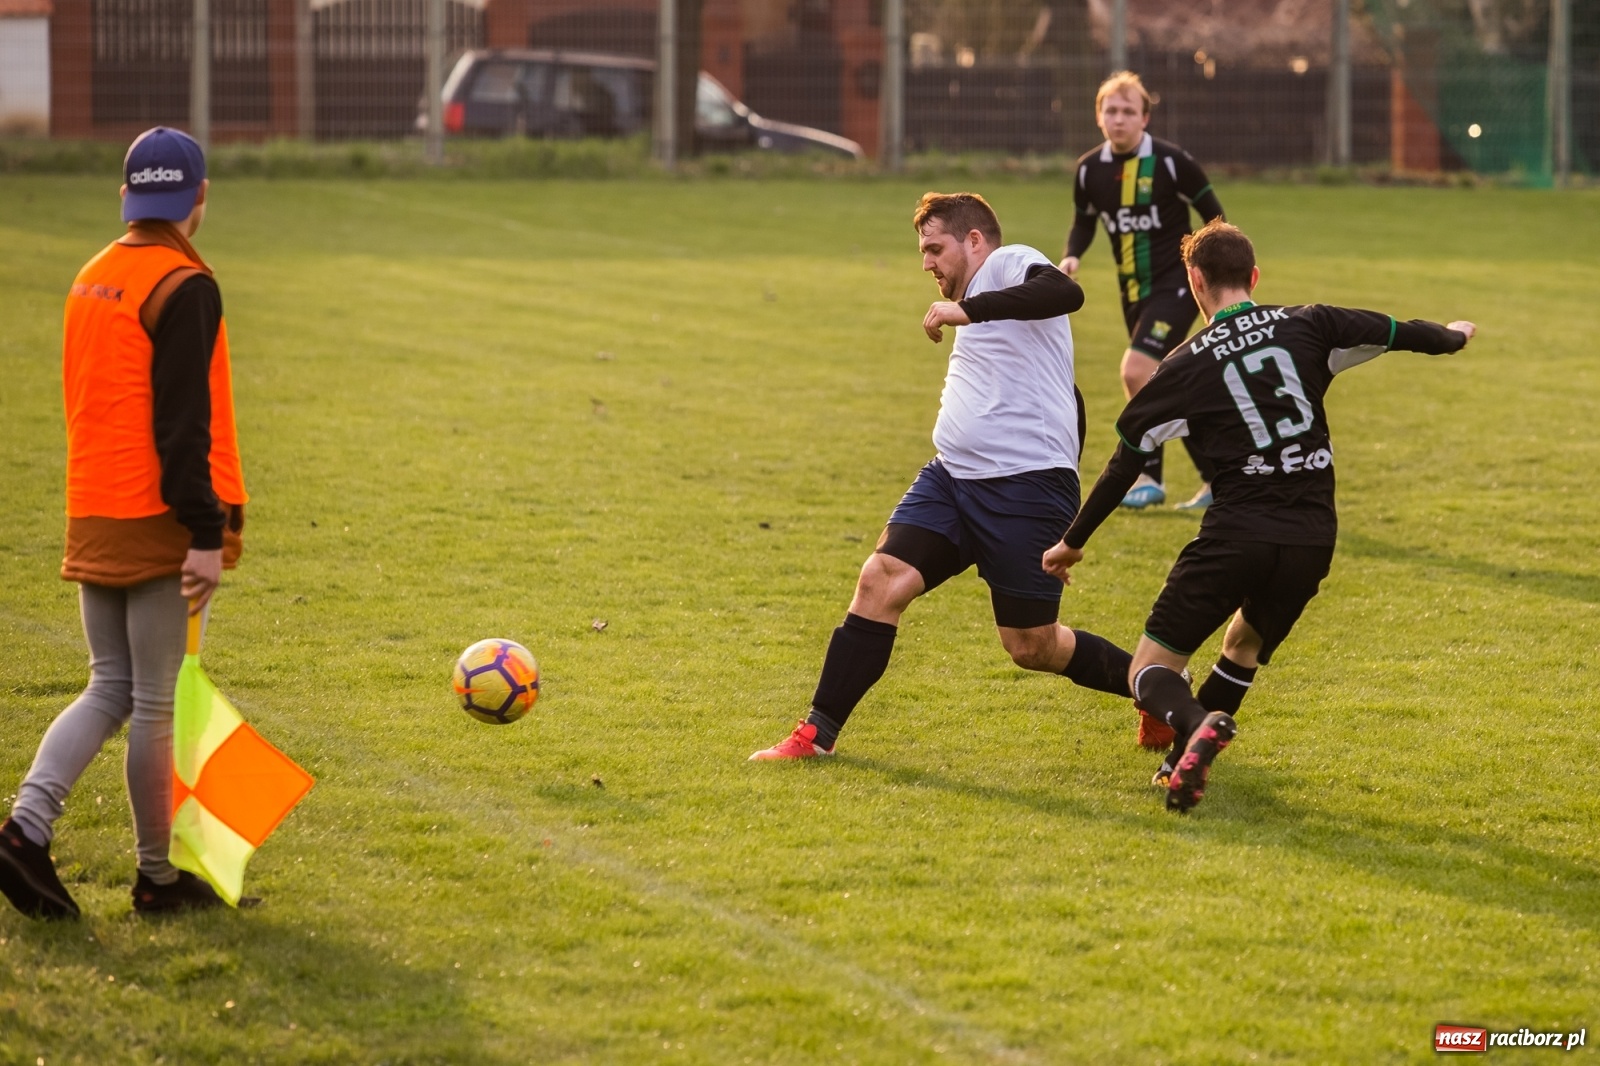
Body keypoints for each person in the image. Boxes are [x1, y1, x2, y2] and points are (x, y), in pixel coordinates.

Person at [1043, 220, 1475, 813]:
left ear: (1194, 281)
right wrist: (1452, 335)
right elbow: (1401, 331)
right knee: (1242, 644)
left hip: (1237, 533)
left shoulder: (1183, 365)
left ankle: (1197, 725)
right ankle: (1178, 767)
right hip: (1312, 537)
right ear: (1253, 276)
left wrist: (1072, 541)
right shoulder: (1311, 322)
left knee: (1148, 671)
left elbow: (1125, 463)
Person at [750, 192, 1135, 761]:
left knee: (1031, 646)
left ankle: (1154, 691)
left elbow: (1067, 292)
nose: (926, 262)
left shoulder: (1007, 264)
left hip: (1024, 488)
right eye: (922, 251)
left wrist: (966, 311)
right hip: (951, 480)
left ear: (973, 240)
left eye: (935, 248)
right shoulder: (982, 297)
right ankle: (816, 735)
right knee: (880, 581)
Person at [0, 127, 249, 918]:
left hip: (90, 504)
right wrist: (205, 537)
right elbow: (183, 431)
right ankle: (158, 878)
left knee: (107, 686)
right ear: (199, 201)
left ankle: (25, 833)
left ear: (125, 198)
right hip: (156, 517)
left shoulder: (92, 276)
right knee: (150, 699)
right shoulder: (185, 285)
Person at [1059, 71, 1225, 517]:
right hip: (1133, 290)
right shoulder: (1089, 169)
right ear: (1098, 117)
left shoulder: (1172, 163)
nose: (1119, 119)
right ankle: (1217, 478)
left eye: (1128, 111)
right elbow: (1084, 222)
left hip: (1178, 285)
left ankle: (1148, 475)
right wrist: (1072, 256)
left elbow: (1216, 219)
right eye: (1110, 111)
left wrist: (1212, 278)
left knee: (1136, 371)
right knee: (1173, 382)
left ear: (1145, 117)